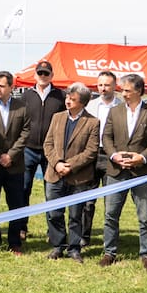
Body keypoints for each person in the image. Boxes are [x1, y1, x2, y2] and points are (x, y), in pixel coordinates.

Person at [100, 74, 147, 269]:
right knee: (111, 214)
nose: (123, 93)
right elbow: (106, 137)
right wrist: (114, 156)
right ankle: (109, 252)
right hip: (116, 171)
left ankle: (146, 254)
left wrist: (142, 158)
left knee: (145, 216)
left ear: (139, 91)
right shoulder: (115, 111)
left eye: (127, 90)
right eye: (122, 90)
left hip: (141, 173)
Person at [42, 82, 98, 262]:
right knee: (54, 213)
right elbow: (48, 144)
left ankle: (74, 248)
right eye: (67, 97)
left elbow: (91, 151)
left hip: (78, 177)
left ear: (83, 102)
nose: (67, 101)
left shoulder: (92, 122)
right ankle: (58, 246)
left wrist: (69, 165)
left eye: (72, 99)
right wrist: (57, 163)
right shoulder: (57, 117)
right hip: (54, 174)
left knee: (76, 215)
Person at [0, 70, 31, 255]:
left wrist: (11, 155)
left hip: (14, 166)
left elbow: (26, 133)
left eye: (2, 86)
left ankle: (14, 242)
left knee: (16, 205)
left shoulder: (22, 107)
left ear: (11, 87)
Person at [21, 60, 66, 241]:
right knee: (24, 189)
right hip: (28, 150)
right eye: (40, 73)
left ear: (52, 75)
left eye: (46, 73)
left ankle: (52, 231)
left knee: (52, 192)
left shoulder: (61, 96)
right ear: (35, 75)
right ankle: (21, 228)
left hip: (51, 152)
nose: (43, 76)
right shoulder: (25, 96)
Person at [82, 71, 120, 242]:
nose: (103, 88)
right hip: (91, 155)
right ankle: (84, 236)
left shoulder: (122, 107)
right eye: (100, 85)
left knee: (110, 201)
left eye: (107, 85)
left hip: (112, 156)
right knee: (87, 200)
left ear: (115, 86)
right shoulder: (89, 106)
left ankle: (109, 240)